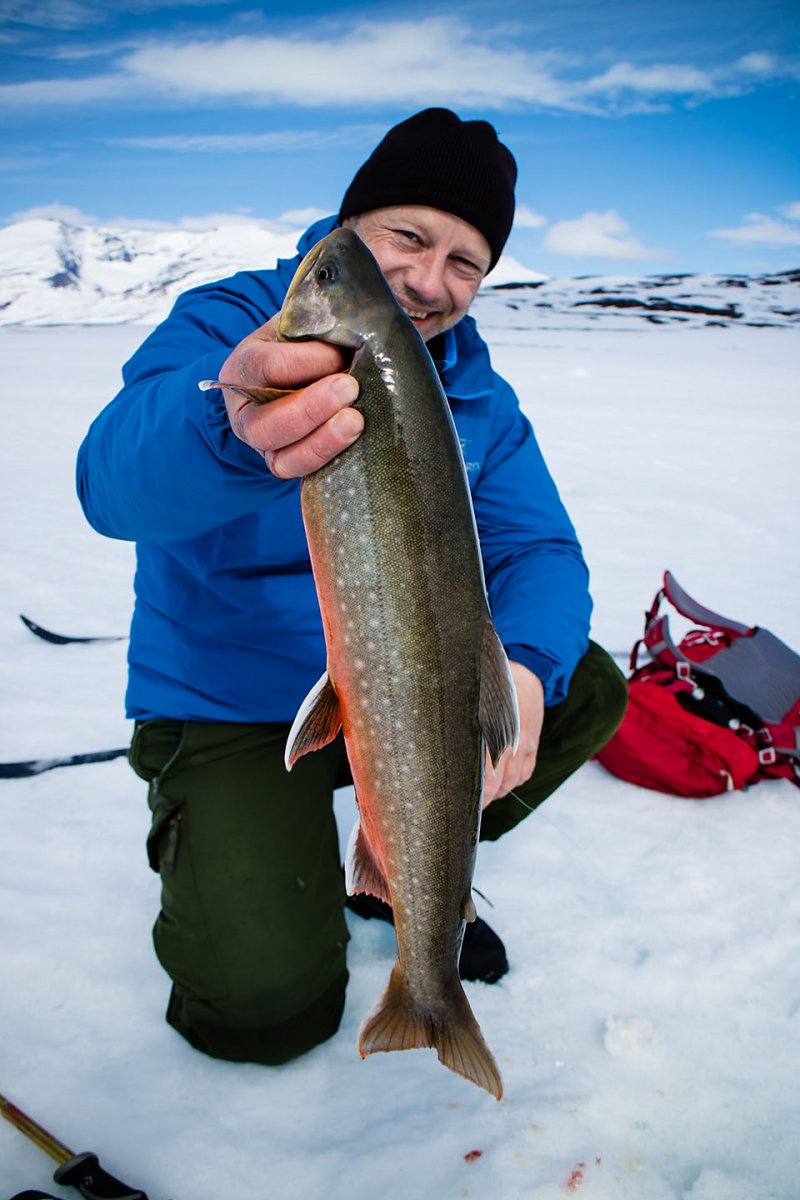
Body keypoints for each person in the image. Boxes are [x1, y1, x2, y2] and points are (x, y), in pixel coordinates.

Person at [77, 108, 627, 1067]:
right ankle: (295, 853)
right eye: (408, 236)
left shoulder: (476, 392)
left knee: (585, 683)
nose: (430, 281)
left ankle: (405, 870)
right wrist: (229, 424)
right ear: (348, 228)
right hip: (233, 700)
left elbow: (538, 548)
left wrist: (527, 671)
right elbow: (110, 482)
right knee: (262, 1017)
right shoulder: (229, 323)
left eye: (466, 262)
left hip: (405, 683)